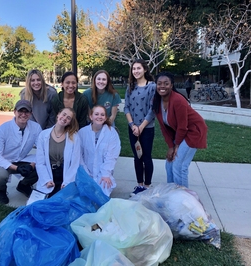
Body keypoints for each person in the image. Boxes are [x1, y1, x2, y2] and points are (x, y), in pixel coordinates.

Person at [153, 71, 208, 188]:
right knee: (169, 163)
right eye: (159, 83)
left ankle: (183, 198)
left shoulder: (178, 100)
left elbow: (183, 126)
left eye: (166, 83)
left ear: (171, 85)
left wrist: (176, 146)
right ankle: (170, 193)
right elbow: (164, 128)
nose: (162, 86)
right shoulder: (157, 101)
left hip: (194, 131)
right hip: (181, 133)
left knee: (179, 165)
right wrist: (170, 147)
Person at [0, 99, 42, 204]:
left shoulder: (36, 128)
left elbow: (42, 150)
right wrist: (17, 168)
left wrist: (32, 165)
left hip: (22, 159)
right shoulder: (3, 129)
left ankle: (24, 185)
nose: (23, 114)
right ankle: (1, 190)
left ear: (31, 113)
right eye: (20, 111)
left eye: (26, 111)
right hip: (3, 161)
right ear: (14, 112)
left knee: (42, 165)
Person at [124, 59, 156, 196]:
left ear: (145, 70)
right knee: (137, 157)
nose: (136, 71)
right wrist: (132, 125)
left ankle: (147, 186)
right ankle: (139, 185)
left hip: (147, 129)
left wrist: (141, 127)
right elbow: (126, 107)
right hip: (133, 129)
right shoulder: (130, 86)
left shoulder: (152, 87)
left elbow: (152, 109)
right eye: (134, 69)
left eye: (138, 68)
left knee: (146, 157)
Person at [35, 107, 80, 197]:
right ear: (58, 114)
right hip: (49, 173)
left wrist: (67, 182)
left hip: (65, 174)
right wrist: (46, 180)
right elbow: (40, 162)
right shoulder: (43, 135)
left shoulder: (74, 137)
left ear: (70, 122)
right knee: (45, 203)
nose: (64, 118)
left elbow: (75, 163)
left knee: (64, 202)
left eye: (68, 118)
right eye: (63, 114)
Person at [78, 105, 121, 196]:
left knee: (102, 194)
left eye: (102, 115)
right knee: (84, 195)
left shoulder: (111, 133)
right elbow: (79, 155)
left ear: (105, 118)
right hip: (86, 172)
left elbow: (112, 156)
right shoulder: (82, 132)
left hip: (103, 173)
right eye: (96, 114)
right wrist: (86, 174)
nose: (99, 117)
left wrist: (106, 174)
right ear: (91, 116)